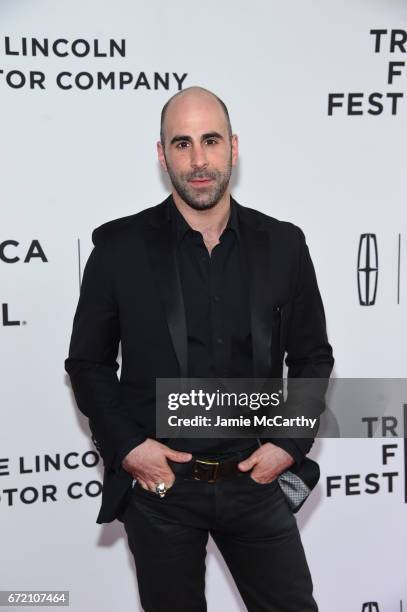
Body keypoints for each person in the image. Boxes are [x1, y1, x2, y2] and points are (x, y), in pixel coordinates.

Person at [65, 86, 334, 612]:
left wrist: (288, 445)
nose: (199, 159)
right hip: (161, 489)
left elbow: (311, 357)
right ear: (162, 155)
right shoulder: (119, 249)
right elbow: (88, 362)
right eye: (182, 144)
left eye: (210, 141)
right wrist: (129, 448)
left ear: (233, 147)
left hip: (255, 478)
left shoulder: (283, 245)